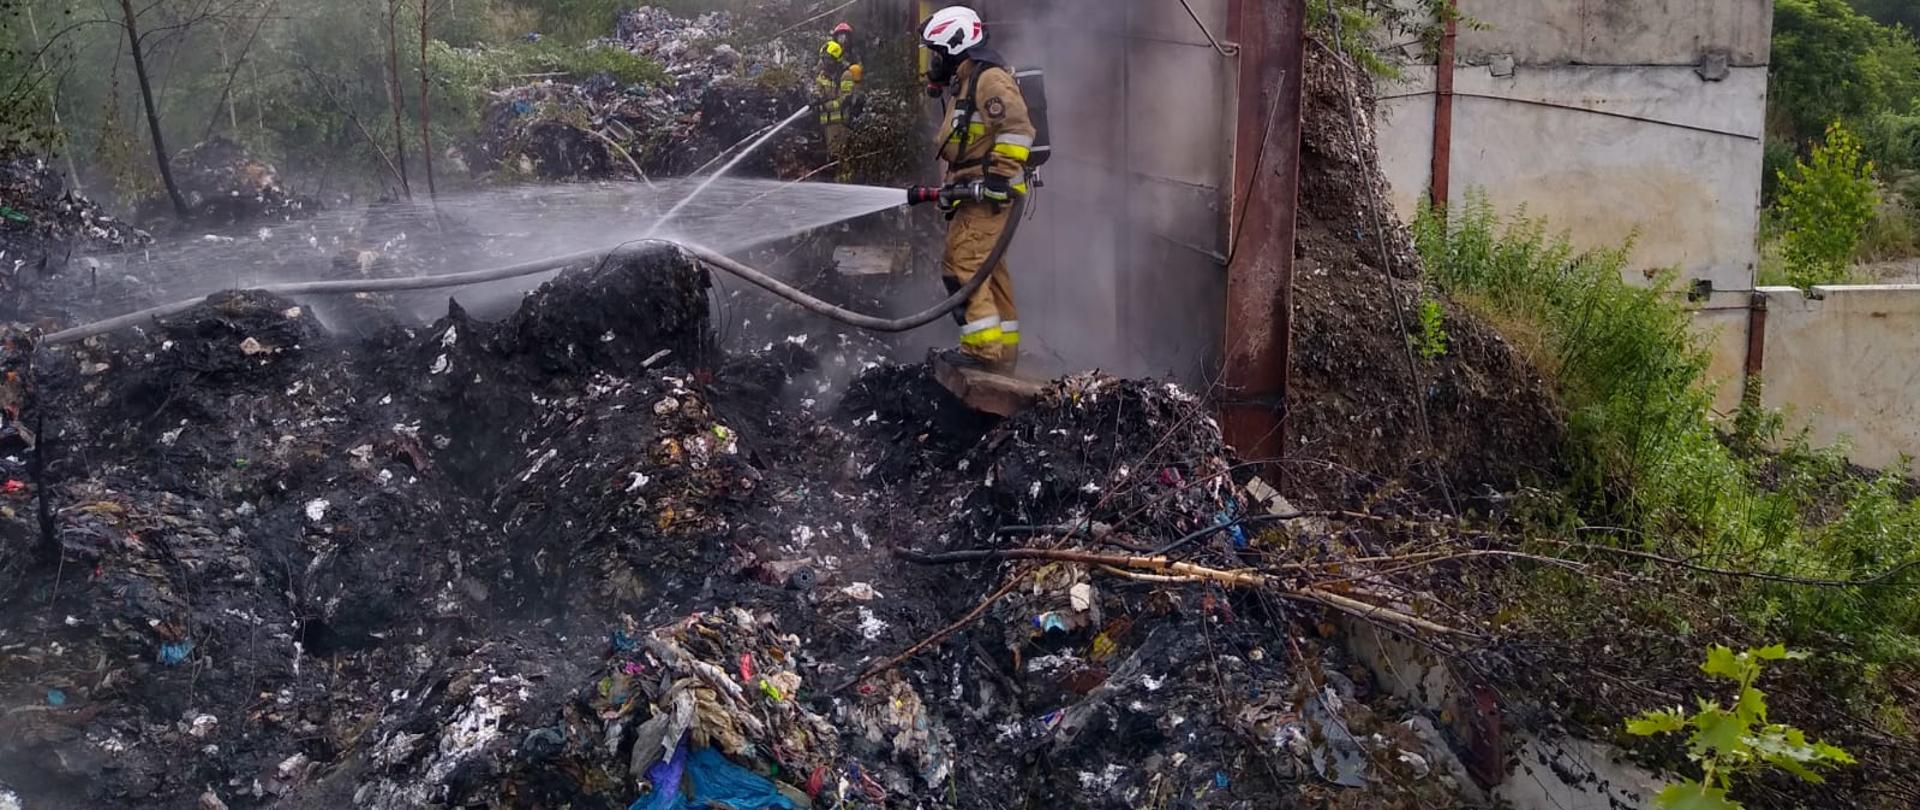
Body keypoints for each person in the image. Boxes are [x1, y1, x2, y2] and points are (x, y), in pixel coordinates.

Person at [922, 5, 1033, 372]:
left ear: (956, 45)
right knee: (990, 268)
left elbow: (1017, 129)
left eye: (937, 53)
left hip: (987, 193)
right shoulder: (968, 81)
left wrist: (999, 178)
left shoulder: (990, 80)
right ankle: (1003, 354)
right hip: (972, 190)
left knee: (962, 264)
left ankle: (983, 352)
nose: (934, 61)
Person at [814, 22, 863, 173]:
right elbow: (818, 89)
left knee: (841, 157)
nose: (824, 63)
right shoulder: (822, 74)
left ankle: (845, 183)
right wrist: (815, 98)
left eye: (827, 60)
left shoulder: (846, 74)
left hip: (840, 123)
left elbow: (845, 100)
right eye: (823, 59)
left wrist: (824, 106)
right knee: (830, 157)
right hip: (826, 123)